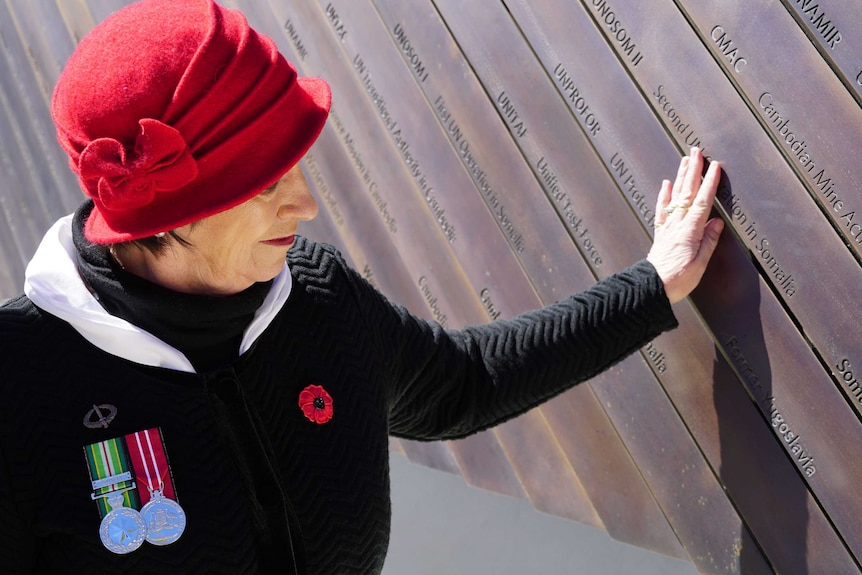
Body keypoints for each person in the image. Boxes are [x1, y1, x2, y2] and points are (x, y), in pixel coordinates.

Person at [0, 0, 724, 573]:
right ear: (173, 209)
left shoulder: (318, 298)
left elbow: (467, 383)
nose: (306, 204)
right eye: (270, 178)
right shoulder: (21, 381)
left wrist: (655, 284)